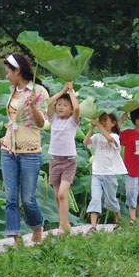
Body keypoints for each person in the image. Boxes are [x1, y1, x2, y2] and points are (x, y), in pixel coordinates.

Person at [0, 53, 49, 244]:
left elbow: (41, 123)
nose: (6, 76)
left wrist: (34, 106)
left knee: (27, 199)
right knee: (10, 198)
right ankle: (15, 238)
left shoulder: (39, 92)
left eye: (8, 72)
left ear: (17, 70)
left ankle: (37, 226)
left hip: (30, 151)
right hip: (8, 149)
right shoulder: (13, 91)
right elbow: (12, 119)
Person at [83, 112, 127, 233]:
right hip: (97, 173)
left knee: (111, 200)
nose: (101, 122)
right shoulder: (97, 136)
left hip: (110, 174)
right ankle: (93, 227)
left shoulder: (115, 136)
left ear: (113, 123)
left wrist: (97, 124)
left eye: (104, 120)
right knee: (95, 198)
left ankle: (119, 221)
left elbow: (109, 138)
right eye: (100, 119)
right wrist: (92, 128)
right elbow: (85, 142)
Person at [47, 81, 79, 234]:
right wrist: (62, 90)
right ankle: (65, 224)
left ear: (71, 109)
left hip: (68, 162)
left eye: (65, 105)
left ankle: (62, 225)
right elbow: (49, 102)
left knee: (62, 194)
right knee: (56, 196)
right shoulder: (53, 120)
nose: (60, 107)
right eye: (59, 104)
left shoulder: (73, 121)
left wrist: (71, 92)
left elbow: (78, 108)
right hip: (54, 160)